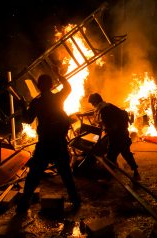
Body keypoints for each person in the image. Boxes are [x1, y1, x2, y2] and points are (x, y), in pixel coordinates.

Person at [16, 67, 81, 214]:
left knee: (34, 175)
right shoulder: (58, 97)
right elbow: (68, 88)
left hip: (45, 144)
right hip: (58, 142)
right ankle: (75, 201)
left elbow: (27, 119)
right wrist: (60, 75)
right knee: (66, 174)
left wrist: (22, 106)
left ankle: (23, 204)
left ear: (39, 86)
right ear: (51, 86)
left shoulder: (36, 102)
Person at [88, 93, 141, 181]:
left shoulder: (104, 110)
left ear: (96, 101)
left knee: (111, 156)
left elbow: (110, 124)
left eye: (92, 103)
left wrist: (107, 130)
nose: (92, 105)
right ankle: (136, 173)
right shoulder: (107, 106)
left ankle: (107, 177)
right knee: (126, 153)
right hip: (122, 133)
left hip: (117, 135)